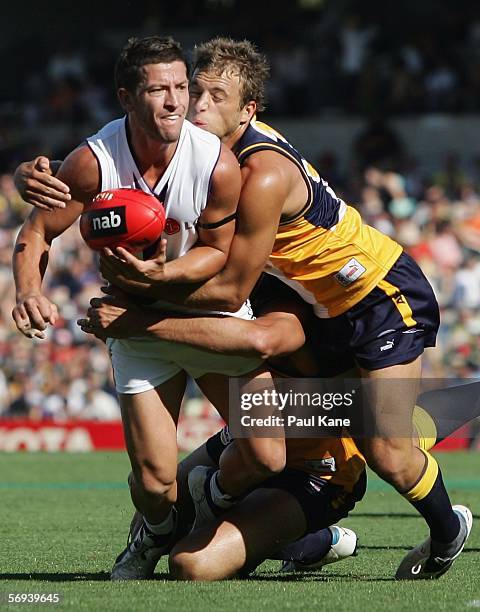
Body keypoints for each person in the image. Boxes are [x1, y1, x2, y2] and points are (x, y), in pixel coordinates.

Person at [15, 38, 472, 580]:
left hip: (373, 297)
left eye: (209, 95)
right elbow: (66, 203)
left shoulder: (257, 173)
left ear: (247, 110)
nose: (193, 106)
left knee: (386, 447)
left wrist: (142, 306)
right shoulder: (193, 160)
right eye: (191, 90)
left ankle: (445, 531)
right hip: (309, 301)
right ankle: (305, 526)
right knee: (167, 497)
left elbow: (232, 298)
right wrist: (34, 178)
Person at [11, 36, 287, 582]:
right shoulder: (93, 162)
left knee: (267, 457)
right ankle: (155, 531)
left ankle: (207, 499)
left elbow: (214, 253)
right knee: (156, 484)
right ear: (126, 97)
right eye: (159, 89)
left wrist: (159, 276)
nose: (175, 102)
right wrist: (27, 291)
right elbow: (38, 228)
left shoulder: (218, 164)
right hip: (133, 322)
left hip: (206, 316)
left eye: (181, 88)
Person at [80, 272, 477, 579]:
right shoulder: (216, 281)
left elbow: (264, 342)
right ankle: (301, 538)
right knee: (151, 505)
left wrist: (139, 323)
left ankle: (304, 539)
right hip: (252, 441)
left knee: (191, 565)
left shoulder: (285, 300)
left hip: (319, 469)